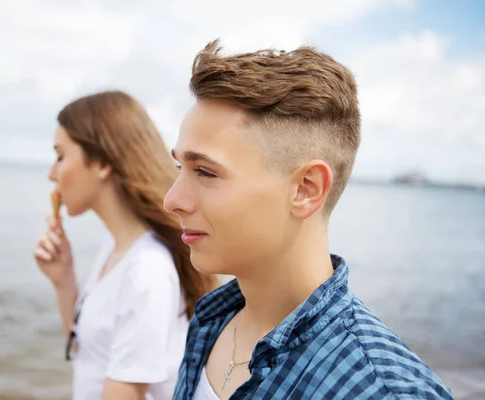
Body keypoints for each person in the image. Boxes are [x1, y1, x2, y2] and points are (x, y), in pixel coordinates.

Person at [165, 40, 452, 399]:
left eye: (205, 172)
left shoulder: (380, 391)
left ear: (306, 188)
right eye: (180, 167)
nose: (171, 200)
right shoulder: (211, 320)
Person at [33, 91, 217, 400]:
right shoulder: (117, 247)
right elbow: (89, 354)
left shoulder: (146, 270)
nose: (52, 173)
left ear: (102, 163)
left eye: (61, 156)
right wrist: (64, 280)